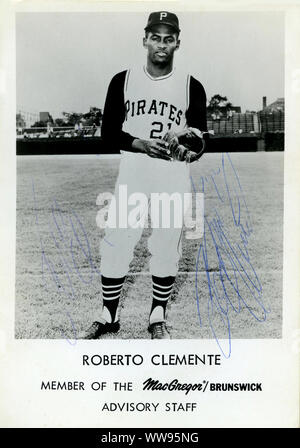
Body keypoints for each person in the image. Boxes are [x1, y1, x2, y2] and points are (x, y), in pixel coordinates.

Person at [80, 11, 208, 339]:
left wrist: (185, 143)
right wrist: (140, 144)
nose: (161, 44)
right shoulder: (122, 80)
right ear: (145, 39)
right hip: (133, 173)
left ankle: (157, 316)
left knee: (166, 245)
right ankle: (108, 315)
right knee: (117, 241)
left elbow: (200, 138)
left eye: (168, 38)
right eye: (156, 37)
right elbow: (108, 133)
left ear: (177, 42)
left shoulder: (192, 86)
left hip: (172, 175)